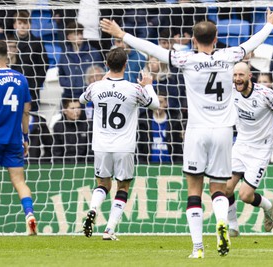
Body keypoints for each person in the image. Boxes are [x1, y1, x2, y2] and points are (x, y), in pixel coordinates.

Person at [100, 7, 273, 258]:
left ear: (193, 41)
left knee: (194, 191)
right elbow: (252, 42)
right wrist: (270, 24)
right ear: (216, 38)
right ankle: (223, 223)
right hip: (223, 133)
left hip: (196, 131)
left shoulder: (187, 59)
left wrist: (122, 34)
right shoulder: (230, 56)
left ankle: (198, 248)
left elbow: (154, 50)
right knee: (218, 189)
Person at [79, 47, 159, 241]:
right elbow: (155, 104)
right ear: (125, 65)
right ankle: (109, 230)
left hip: (101, 145)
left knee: (102, 183)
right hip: (124, 146)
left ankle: (93, 208)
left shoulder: (95, 87)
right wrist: (148, 85)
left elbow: (82, 99)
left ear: (107, 65)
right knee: (122, 187)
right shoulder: (134, 89)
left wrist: (103, 79)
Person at [226, 62, 273, 236]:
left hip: (261, 150)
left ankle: (268, 206)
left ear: (250, 76)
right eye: (235, 75)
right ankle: (233, 226)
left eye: (241, 75)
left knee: (245, 195)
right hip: (241, 145)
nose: (237, 79)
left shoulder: (265, 94)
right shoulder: (231, 91)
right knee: (225, 188)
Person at [0, 40, 37, 235]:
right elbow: (26, 111)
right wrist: (25, 137)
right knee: (19, 181)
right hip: (14, 140)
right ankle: (29, 214)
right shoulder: (21, 79)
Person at [12, 10, 49, 111]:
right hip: (11, 86)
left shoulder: (37, 42)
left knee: (31, 119)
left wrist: (36, 83)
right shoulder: (8, 41)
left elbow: (44, 65)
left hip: (31, 87)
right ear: (15, 25)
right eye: (20, 23)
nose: (23, 26)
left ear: (30, 25)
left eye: (25, 23)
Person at [58, 21, 104, 99]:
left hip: (89, 95)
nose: (80, 36)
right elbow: (61, 74)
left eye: (81, 33)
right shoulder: (64, 55)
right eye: (76, 34)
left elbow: (100, 74)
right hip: (69, 95)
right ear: (69, 37)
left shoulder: (94, 53)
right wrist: (68, 84)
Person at [137, 90, 184, 164]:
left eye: (160, 102)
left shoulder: (174, 122)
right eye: (156, 102)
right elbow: (138, 147)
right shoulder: (143, 121)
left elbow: (180, 147)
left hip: (171, 166)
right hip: (148, 166)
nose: (158, 106)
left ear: (166, 103)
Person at [52, 98, 92, 164]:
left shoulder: (88, 125)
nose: (76, 111)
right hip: (64, 166)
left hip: (84, 165)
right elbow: (57, 151)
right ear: (64, 110)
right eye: (72, 108)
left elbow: (91, 151)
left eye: (78, 108)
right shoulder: (58, 126)